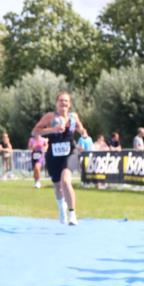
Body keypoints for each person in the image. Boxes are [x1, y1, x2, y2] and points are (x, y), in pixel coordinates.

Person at [33, 91, 87, 226]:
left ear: (70, 104)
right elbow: (35, 132)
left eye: (66, 101)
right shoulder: (50, 117)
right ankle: (61, 207)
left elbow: (82, 129)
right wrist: (53, 129)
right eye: (61, 100)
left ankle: (72, 214)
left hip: (70, 152)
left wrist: (84, 134)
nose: (63, 103)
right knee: (58, 185)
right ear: (56, 103)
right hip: (53, 154)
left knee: (66, 181)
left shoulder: (73, 116)